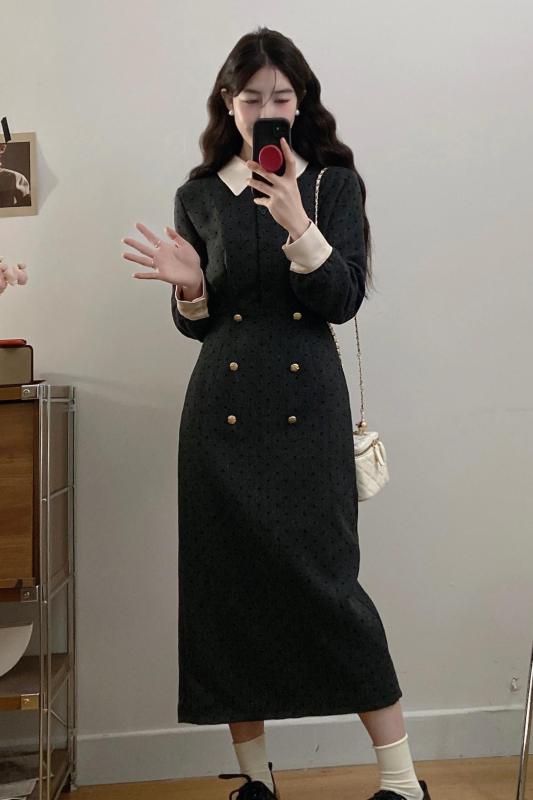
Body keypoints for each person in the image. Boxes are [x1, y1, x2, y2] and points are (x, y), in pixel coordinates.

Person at [121, 26, 431, 800]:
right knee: (227, 593)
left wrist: (297, 220)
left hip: (307, 409)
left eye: (281, 97)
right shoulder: (198, 195)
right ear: (227, 103)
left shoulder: (329, 185)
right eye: (252, 96)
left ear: (300, 103)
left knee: (330, 588)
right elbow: (201, 325)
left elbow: (341, 299)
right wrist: (191, 287)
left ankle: (401, 783)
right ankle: (255, 782)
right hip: (221, 418)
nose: (267, 109)